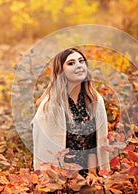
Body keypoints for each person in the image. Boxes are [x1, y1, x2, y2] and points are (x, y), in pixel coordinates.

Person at [32, 47, 110, 177]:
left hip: (89, 173)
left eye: (81, 61)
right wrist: (74, 179)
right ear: (60, 71)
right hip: (61, 176)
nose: (78, 66)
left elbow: (93, 143)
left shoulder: (94, 100)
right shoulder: (51, 105)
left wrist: (92, 175)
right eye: (71, 63)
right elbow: (48, 150)